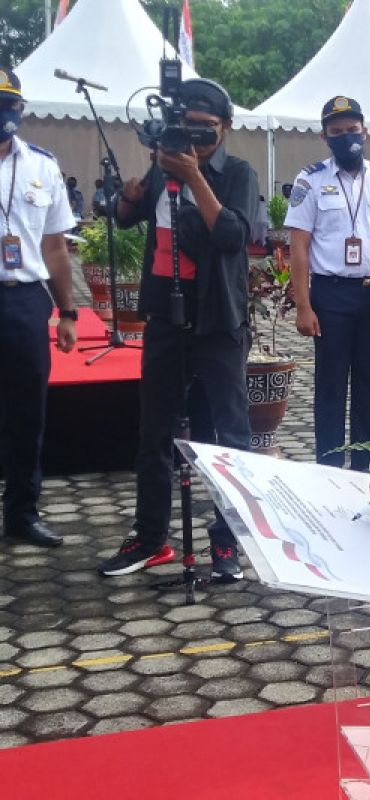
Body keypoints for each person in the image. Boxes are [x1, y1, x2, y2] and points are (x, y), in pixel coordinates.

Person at [98, 78, 258, 580]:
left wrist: (194, 178)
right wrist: (127, 198)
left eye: (207, 130)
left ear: (226, 127)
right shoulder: (162, 166)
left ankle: (228, 540)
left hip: (218, 318)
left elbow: (233, 235)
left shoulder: (237, 173)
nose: (197, 139)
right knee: (154, 432)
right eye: (189, 129)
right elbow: (126, 219)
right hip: (166, 317)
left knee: (230, 436)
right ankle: (150, 538)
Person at [286, 96, 370, 472]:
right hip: (330, 295)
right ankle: (327, 469)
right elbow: (299, 248)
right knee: (330, 386)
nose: (346, 138)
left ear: (366, 132)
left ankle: (362, 470)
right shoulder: (310, 180)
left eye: (352, 130)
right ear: (325, 137)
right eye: (337, 132)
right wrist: (304, 306)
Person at [0, 68, 79, 549]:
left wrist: (67, 310)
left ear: (21, 110)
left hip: (26, 301)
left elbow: (54, 247)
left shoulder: (42, 166)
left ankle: (22, 513)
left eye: (7, 104)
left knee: (28, 412)